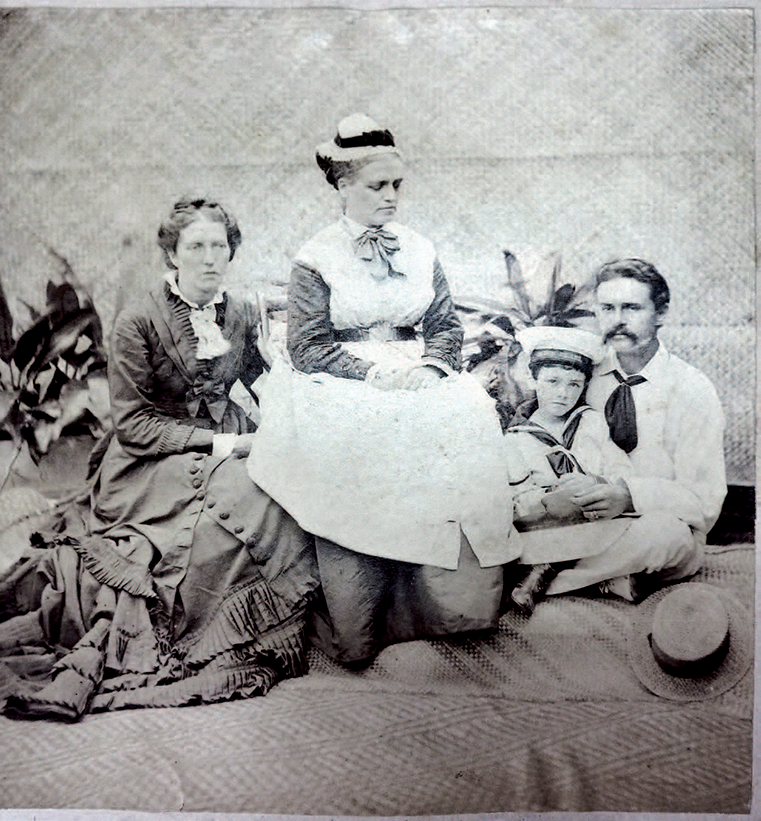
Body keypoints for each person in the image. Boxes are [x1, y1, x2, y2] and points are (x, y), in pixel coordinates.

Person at [0, 196, 318, 719]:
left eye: (218, 246)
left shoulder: (243, 313)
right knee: (227, 511)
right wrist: (221, 444)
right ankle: (185, 639)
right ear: (172, 254)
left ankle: (250, 625)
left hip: (228, 444)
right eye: (195, 246)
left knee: (274, 497)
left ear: (232, 252)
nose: (208, 258)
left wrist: (287, 393)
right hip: (147, 462)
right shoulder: (139, 319)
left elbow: (260, 385)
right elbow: (133, 425)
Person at [247, 114, 516, 665]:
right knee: (362, 433)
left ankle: (446, 614)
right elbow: (309, 347)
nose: (391, 197)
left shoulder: (419, 248)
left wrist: (433, 368)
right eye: (377, 186)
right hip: (339, 376)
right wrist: (375, 377)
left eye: (398, 185)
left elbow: (445, 325)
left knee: (464, 415)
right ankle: (361, 623)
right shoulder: (316, 256)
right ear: (344, 188)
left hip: (416, 369)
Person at [543, 258, 727, 600]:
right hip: (584, 520)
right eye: (608, 308)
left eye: (631, 308)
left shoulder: (691, 389)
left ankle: (547, 580)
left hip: (653, 525)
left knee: (666, 537)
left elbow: (704, 502)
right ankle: (608, 580)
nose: (618, 321)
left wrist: (629, 496)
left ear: (661, 314)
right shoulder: (582, 376)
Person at [503, 325, 636, 614]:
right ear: (532, 379)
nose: (563, 394)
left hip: (599, 520)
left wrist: (596, 482)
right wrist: (549, 500)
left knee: (644, 531)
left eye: (574, 384)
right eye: (553, 381)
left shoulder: (592, 423)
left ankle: (550, 575)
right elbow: (513, 504)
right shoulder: (515, 440)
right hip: (547, 529)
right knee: (525, 546)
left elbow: (623, 471)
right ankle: (598, 579)